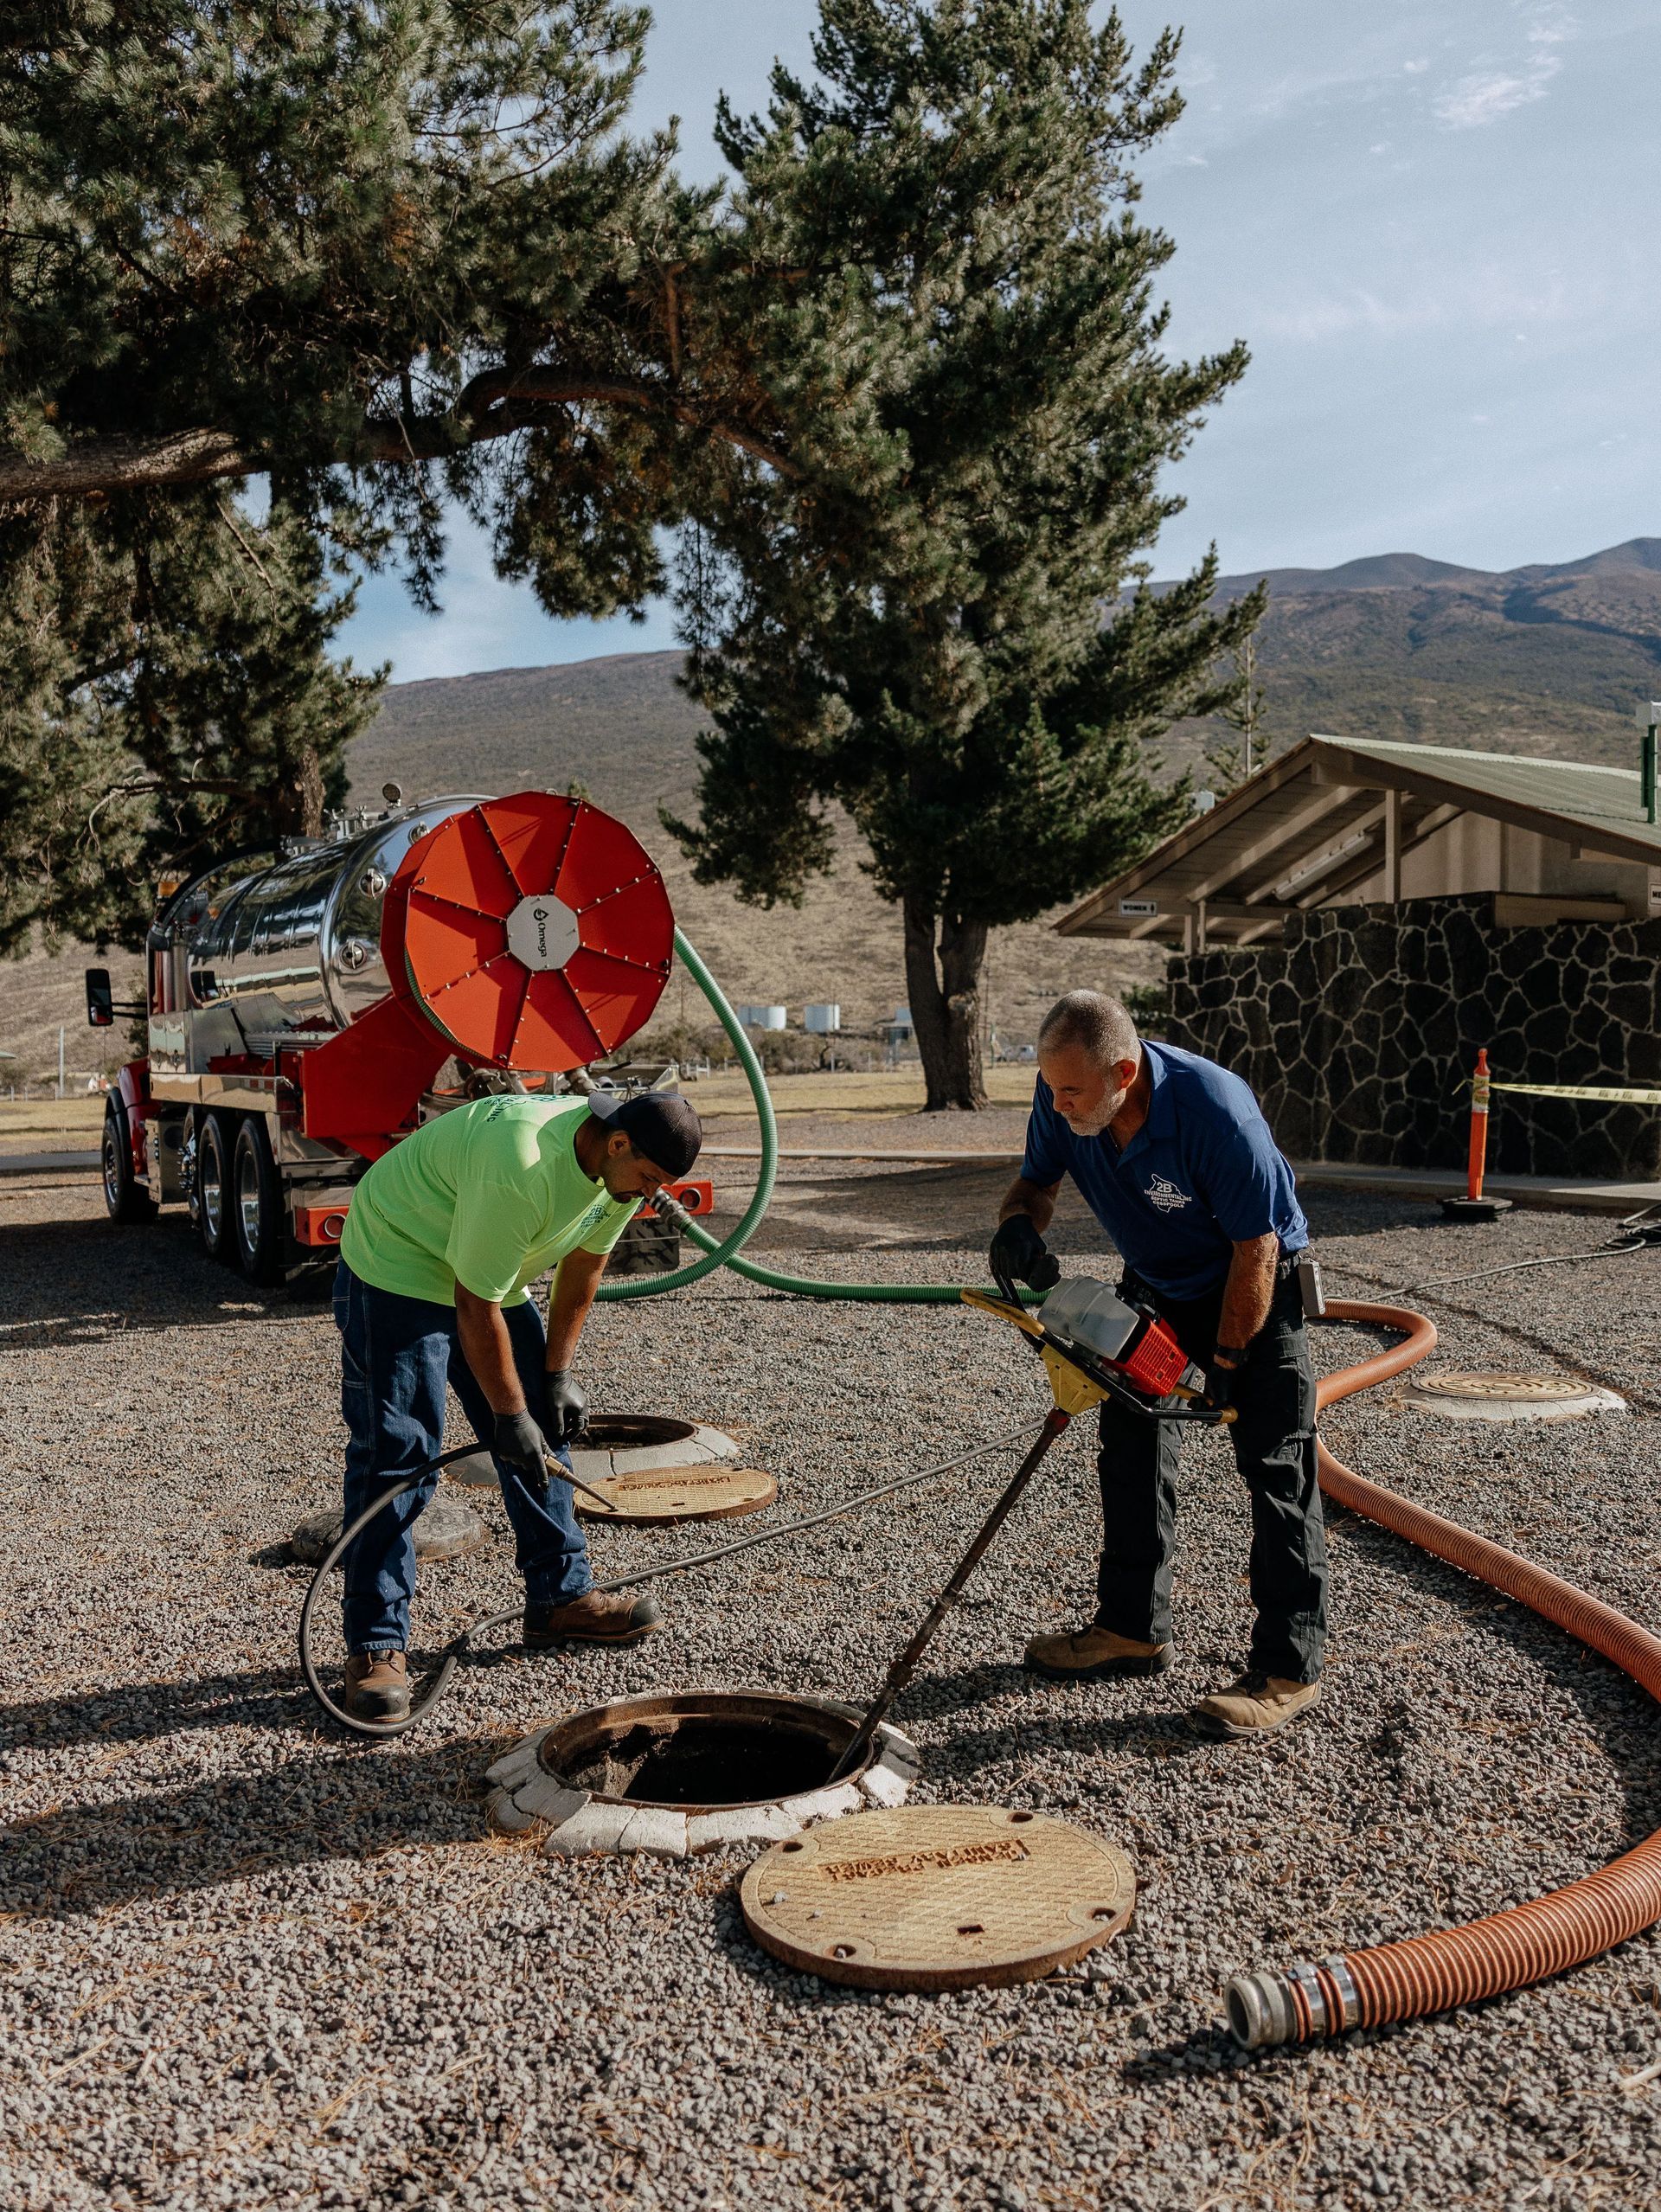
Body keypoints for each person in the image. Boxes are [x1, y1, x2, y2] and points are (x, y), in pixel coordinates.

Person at [990, 991, 1321, 1741]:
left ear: (1125, 1071)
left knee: (1275, 1469)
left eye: (1072, 1089)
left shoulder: (1215, 1113)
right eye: (1050, 1086)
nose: (1057, 1101)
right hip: (1157, 1287)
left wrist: (1232, 1357)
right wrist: (1016, 1223)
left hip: (1253, 1292)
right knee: (1131, 1449)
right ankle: (1131, 1628)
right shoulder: (1066, 1102)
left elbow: (1256, 1248)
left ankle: (1286, 1668)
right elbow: (1036, 1184)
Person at [332, 1087, 702, 1722]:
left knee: (544, 1428)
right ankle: (377, 1644)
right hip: (398, 1262)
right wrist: (507, 1417)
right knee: (398, 1454)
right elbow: (473, 1305)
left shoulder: (615, 1178)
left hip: (483, 1270)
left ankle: (560, 1598)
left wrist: (554, 1376)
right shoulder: (523, 1161)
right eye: (647, 1178)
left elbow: (582, 1268)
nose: (648, 1195)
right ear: (617, 1143)